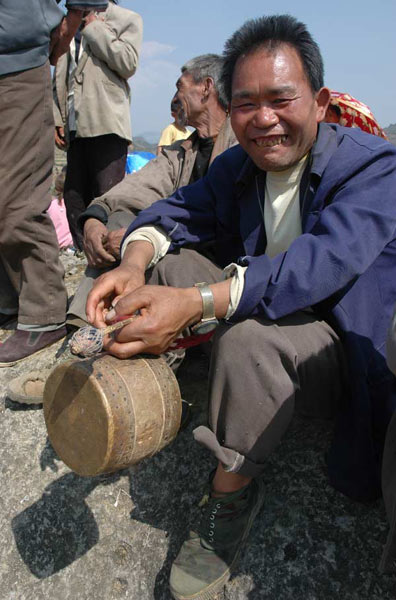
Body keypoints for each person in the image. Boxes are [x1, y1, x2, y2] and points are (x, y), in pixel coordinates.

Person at [87, 14, 396, 599]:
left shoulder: (372, 166)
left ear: (320, 101)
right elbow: (173, 213)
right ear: (230, 111)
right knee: (169, 264)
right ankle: (137, 367)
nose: (265, 120)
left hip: (333, 346)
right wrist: (131, 264)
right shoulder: (240, 165)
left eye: (282, 99)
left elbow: (321, 263)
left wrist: (200, 300)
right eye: (247, 104)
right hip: (264, 305)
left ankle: (228, 496)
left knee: (248, 340)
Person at [67, 53, 237, 327]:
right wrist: (94, 218)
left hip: (215, 270)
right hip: (176, 247)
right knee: (119, 217)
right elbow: (134, 189)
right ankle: (84, 323)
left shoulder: (240, 144)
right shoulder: (183, 153)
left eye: (180, 87)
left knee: (153, 250)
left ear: (206, 88)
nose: (175, 97)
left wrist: (146, 239)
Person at [0, 0, 109, 366]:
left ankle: (43, 312)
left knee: (16, 198)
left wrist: (74, 15)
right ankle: (8, 298)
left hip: (15, 62)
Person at [53, 0, 143, 251]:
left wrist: (94, 28)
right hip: (74, 124)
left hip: (107, 122)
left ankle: (114, 258)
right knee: (73, 198)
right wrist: (57, 116)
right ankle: (87, 256)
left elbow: (128, 63)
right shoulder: (70, 20)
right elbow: (60, 70)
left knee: (107, 197)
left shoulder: (126, 18)